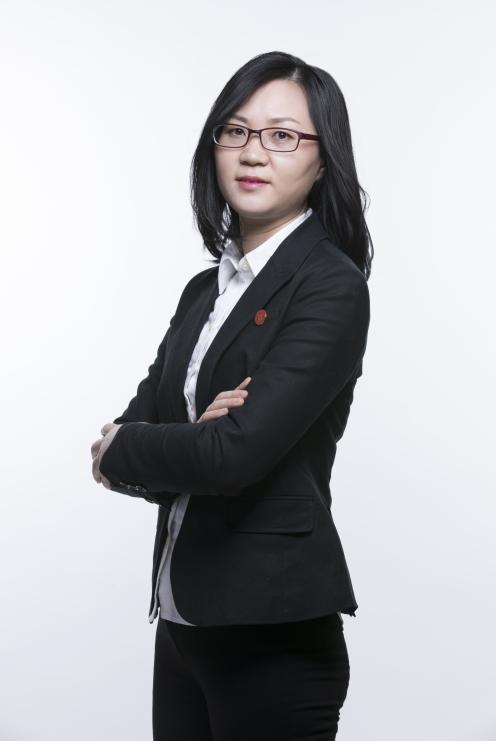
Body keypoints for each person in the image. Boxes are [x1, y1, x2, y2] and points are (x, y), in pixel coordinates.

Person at [91, 49, 373, 741]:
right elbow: (131, 436)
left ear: (323, 160)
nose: (253, 152)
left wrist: (147, 446)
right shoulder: (204, 291)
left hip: (272, 633)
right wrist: (165, 442)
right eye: (236, 130)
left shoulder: (330, 286)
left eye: (283, 135)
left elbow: (232, 456)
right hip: (182, 626)